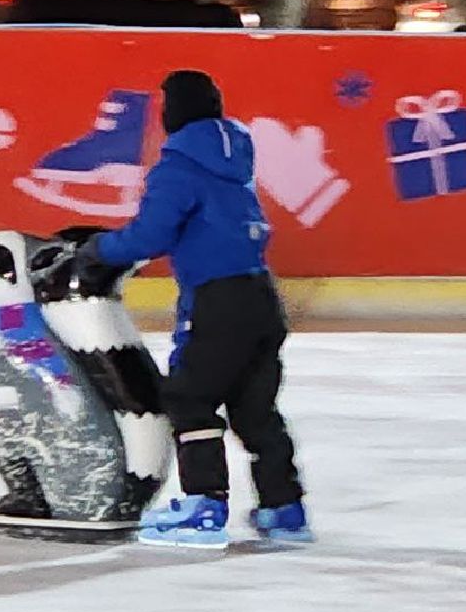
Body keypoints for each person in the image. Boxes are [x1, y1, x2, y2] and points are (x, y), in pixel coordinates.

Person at [80, 70, 310, 548]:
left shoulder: (179, 165)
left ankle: (204, 504)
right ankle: (284, 508)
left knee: (189, 397)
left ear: (173, 112)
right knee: (254, 408)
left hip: (217, 298)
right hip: (261, 298)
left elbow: (151, 235)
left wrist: (100, 250)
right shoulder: (235, 162)